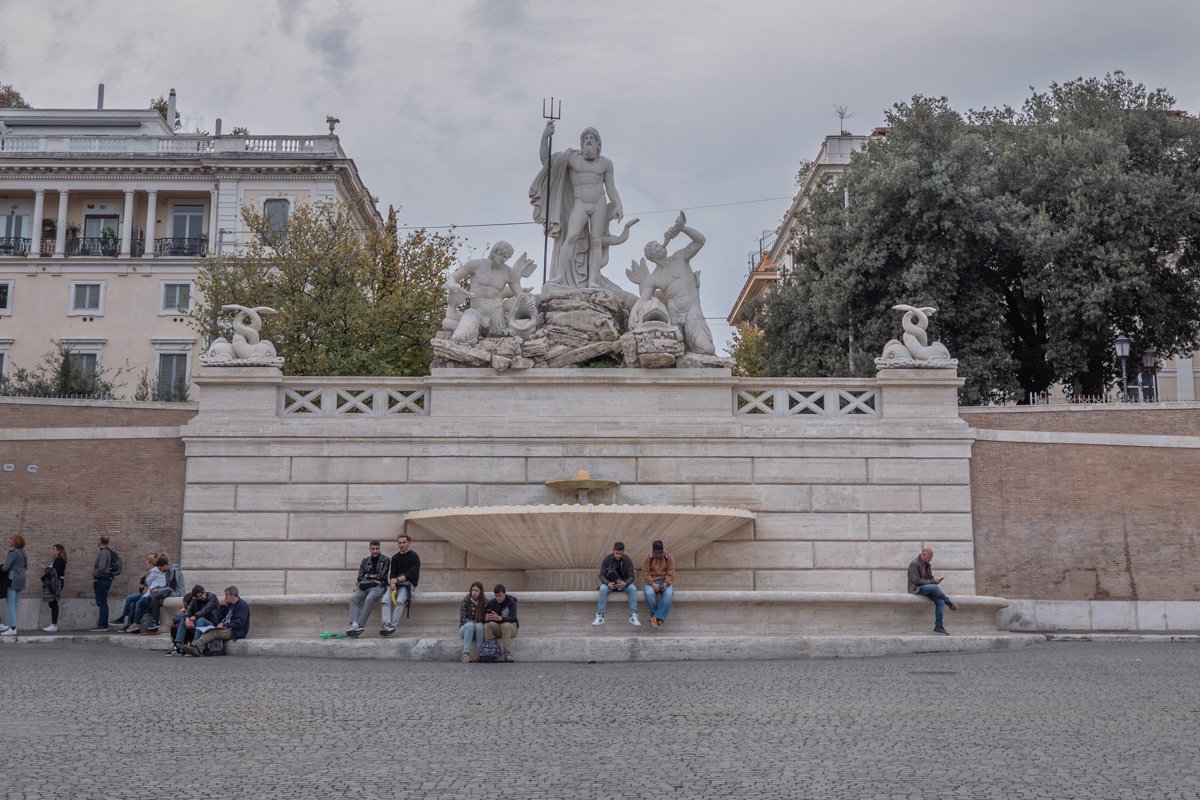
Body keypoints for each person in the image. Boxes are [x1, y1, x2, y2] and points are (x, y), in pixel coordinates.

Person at [530, 121, 626, 289]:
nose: (589, 141)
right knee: (571, 236)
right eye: (586, 138)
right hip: (580, 202)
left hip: (599, 203)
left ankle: (592, 280)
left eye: (592, 138)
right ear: (581, 143)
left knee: (596, 241)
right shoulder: (572, 158)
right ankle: (559, 276)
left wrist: (618, 204)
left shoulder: (605, 163)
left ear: (598, 144)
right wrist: (545, 136)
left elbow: (610, 186)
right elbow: (546, 160)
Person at [627, 212, 716, 355]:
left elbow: (700, 241)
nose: (659, 246)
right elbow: (644, 299)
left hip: (692, 311)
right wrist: (633, 312)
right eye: (656, 246)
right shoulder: (653, 278)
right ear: (652, 256)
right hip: (673, 316)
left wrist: (681, 228)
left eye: (658, 244)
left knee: (707, 349)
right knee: (671, 352)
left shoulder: (680, 257)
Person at [442, 242, 538, 342]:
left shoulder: (509, 273)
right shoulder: (475, 265)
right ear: (495, 252)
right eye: (503, 256)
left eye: (507, 258)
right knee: (460, 337)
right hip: (476, 310)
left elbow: (520, 295)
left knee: (500, 340)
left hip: (496, 313)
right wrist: (453, 285)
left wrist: (529, 300)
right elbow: (453, 278)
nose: (505, 260)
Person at [183, 586, 250, 656]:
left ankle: (195, 645)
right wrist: (222, 606)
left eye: (227, 595)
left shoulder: (242, 605)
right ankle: (198, 651)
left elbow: (240, 622)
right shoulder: (229, 605)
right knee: (207, 631)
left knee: (214, 632)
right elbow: (218, 618)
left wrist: (224, 625)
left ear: (233, 595)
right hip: (227, 628)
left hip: (236, 631)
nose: (225, 597)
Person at [907, 547, 958, 635]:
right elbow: (917, 581)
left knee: (940, 601)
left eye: (931, 557)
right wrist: (932, 582)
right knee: (934, 588)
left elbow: (930, 577)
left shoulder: (927, 564)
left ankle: (938, 626)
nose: (931, 559)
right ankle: (948, 602)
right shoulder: (914, 563)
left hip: (927, 588)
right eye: (930, 557)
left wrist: (935, 580)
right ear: (923, 554)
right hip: (916, 588)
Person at [380, 534, 420, 637]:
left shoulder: (414, 557)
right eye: (400, 543)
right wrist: (392, 583)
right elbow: (392, 573)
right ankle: (386, 624)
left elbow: (411, 574)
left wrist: (396, 580)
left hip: (408, 585)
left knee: (400, 601)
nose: (401, 545)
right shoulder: (395, 557)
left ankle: (392, 627)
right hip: (396, 585)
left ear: (408, 543)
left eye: (404, 542)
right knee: (385, 600)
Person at [347, 541, 390, 637]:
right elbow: (360, 577)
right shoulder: (365, 561)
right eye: (373, 549)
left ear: (379, 548)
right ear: (370, 549)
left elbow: (382, 576)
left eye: (377, 548)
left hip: (378, 588)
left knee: (369, 599)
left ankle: (360, 626)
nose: (375, 551)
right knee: (353, 598)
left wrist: (368, 576)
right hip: (365, 587)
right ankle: (354, 624)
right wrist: (374, 579)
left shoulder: (386, 559)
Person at [592, 541, 640, 627]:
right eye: (616, 553)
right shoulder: (607, 559)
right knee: (603, 588)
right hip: (610, 584)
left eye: (620, 554)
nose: (618, 555)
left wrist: (625, 583)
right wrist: (607, 583)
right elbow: (601, 575)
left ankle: (633, 615)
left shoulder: (627, 560)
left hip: (623, 584)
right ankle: (600, 616)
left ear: (623, 552)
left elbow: (632, 576)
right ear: (613, 550)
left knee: (633, 589)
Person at [167, 585, 219, 656]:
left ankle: (194, 645)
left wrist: (194, 617)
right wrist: (187, 619)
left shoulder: (212, 597)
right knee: (183, 620)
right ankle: (177, 646)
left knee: (200, 620)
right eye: (198, 597)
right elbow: (188, 610)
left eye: (201, 596)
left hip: (211, 623)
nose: (200, 598)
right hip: (199, 623)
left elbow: (205, 610)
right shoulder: (195, 600)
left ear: (204, 592)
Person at [139, 553, 185, 633]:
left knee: (156, 596)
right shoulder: (166, 572)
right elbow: (167, 586)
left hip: (177, 592)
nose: (160, 570)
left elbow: (172, 588)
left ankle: (156, 621)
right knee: (151, 595)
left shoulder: (175, 571)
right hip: (170, 590)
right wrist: (158, 589)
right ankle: (150, 619)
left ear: (165, 565)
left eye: (160, 568)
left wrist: (159, 590)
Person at [113, 551, 156, 629]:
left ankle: (124, 618)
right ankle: (129, 624)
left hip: (148, 594)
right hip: (144, 593)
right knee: (132, 603)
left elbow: (152, 585)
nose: (147, 561)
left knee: (130, 598)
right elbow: (143, 584)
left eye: (150, 559)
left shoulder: (154, 571)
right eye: (148, 559)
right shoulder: (149, 572)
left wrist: (145, 589)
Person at [127, 556, 170, 633]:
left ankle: (136, 623)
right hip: (153, 592)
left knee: (138, 603)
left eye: (147, 562)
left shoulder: (155, 571)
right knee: (134, 603)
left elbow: (149, 583)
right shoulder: (162, 571)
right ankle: (134, 623)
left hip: (152, 592)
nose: (145, 564)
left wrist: (146, 582)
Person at [641, 539, 675, 629]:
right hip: (652, 581)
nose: (657, 555)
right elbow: (645, 574)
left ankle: (654, 617)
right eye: (656, 553)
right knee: (649, 593)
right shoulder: (648, 558)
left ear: (662, 550)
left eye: (659, 553)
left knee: (668, 594)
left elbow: (671, 574)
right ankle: (657, 618)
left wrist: (666, 584)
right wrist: (652, 584)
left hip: (665, 581)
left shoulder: (669, 557)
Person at [90, 537, 120, 632]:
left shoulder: (104, 552)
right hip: (107, 579)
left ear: (101, 541)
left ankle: (103, 625)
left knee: (102, 602)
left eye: (98, 540)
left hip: (102, 579)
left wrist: (95, 574)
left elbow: (102, 567)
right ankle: (103, 624)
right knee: (103, 601)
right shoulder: (108, 552)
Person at [0, 534, 28, 636]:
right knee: (14, 605)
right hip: (21, 581)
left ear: (16, 542)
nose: (10, 540)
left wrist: (2, 567)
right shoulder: (23, 552)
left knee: (10, 605)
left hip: (13, 580)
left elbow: (5, 567)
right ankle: (13, 626)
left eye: (11, 539)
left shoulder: (13, 552)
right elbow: (25, 566)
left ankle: (12, 628)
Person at [484, 584, 519, 662]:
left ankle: (507, 652)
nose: (498, 598)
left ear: (504, 593)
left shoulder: (511, 601)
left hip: (511, 628)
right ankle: (489, 651)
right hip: (499, 627)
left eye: (500, 595)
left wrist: (501, 618)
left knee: (505, 625)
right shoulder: (492, 602)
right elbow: (486, 618)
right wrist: (486, 618)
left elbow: (513, 618)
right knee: (488, 625)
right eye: (496, 596)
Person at [457, 581, 487, 662]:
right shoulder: (466, 601)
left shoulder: (485, 603)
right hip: (466, 630)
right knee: (470, 624)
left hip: (478, 631)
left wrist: (478, 623)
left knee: (480, 625)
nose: (474, 592)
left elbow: (485, 620)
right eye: (473, 590)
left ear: (481, 592)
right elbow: (463, 620)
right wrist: (473, 623)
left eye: (476, 590)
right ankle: (466, 653)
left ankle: (479, 653)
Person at [41, 544, 67, 632]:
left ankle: (54, 625)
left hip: (57, 582)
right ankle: (53, 624)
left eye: (53, 549)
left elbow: (56, 572)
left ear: (58, 551)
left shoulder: (60, 560)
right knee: (52, 603)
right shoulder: (56, 560)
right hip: (54, 582)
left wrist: (47, 569)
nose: (51, 550)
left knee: (54, 602)